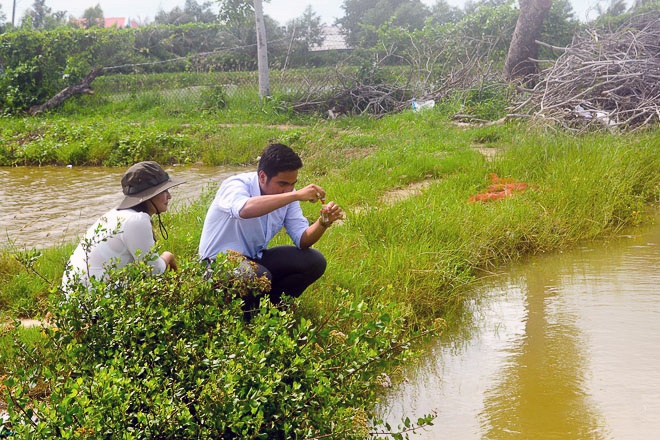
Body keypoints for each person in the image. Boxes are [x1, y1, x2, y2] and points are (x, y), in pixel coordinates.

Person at [199, 143, 343, 305]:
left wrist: (323, 222)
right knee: (258, 276)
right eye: (282, 184)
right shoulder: (236, 184)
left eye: (293, 184)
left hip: (253, 259)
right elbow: (244, 210)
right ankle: (244, 317)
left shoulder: (289, 196)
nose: (288, 190)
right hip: (216, 264)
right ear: (262, 176)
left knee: (314, 262)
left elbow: (303, 240)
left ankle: (272, 310)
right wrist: (295, 196)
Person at [62, 161, 185, 291]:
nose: (169, 196)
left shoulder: (115, 214)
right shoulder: (137, 220)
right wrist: (168, 256)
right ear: (149, 195)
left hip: (73, 293)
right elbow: (153, 271)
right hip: (94, 296)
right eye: (163, 191)